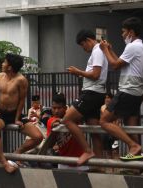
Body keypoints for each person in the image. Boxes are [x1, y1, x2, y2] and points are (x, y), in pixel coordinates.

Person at [0, 53, 43, 173]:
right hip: (1, 113)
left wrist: (17, 118)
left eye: (4, 62)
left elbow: (22, 100)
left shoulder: (21, 80)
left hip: (15, 113)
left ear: (10, 67)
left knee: (38, 137)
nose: (2, 64)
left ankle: (17, 153)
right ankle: (4, 162)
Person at [99, 17, 143, 161]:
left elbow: (114, 65)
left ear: (131, 32)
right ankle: (137, 162)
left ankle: (133, 146)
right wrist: (110, 50)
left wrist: (104, 50)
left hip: (127, 91)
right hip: (137, 93)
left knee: (104, 121)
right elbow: (120, 63)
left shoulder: (132, 47)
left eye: (123, 32)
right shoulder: (142, 47)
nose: (122, 35)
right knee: (131, 129)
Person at [61, 29, 108, 166]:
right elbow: (93, 74)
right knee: (93, 130)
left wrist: (78, 71)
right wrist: (81, 74)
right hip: (96, 92)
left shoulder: (97, 50)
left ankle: (87, 151)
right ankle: (100, 165)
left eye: (83, 45)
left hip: (91, 93)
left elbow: (95, 75)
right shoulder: (98, 51)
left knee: (67, 119)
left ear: (88, 40)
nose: (83, 48)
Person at [46, 93, 88, 171]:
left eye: (59, 108)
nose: (56, 111)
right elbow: (50, 145)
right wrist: (54, 129)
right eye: (54, 108)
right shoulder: (50, 120)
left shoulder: (74, 117)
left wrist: (62, 121)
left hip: (81, 160)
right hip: (63, 162)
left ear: (65, 108)